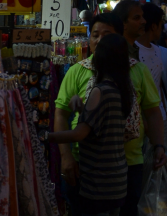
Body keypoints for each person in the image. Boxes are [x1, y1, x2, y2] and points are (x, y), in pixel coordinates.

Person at [55, 13, 166, 216]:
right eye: (95, 35)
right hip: (84, 164)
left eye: (106, 35)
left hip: (129, 163)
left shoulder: (138, 71)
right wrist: (66, 157)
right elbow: (61, 114)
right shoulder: (77, 71)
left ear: (118, 39)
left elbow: (152, 113)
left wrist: (159, 144)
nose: (99, 40)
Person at [47, 32, 131, 216]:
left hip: (98, 182)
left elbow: (80, 134)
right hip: (116, 179)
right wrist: (81, 109)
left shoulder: (100, 91)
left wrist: (45, 137)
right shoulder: (121, 89)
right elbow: (99, 123)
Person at [136, 2, 167, 145]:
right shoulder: (131, 51)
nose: (163, 28)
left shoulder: (158, 51)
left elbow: (158, 89)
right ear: (154, 26)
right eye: (161, 24)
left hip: (160, 119)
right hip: (140, 123)